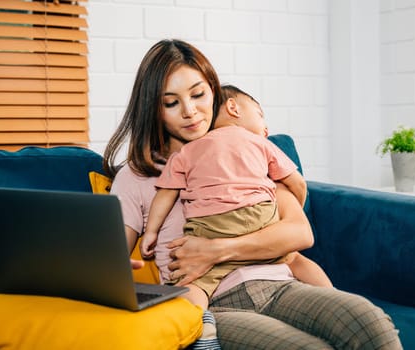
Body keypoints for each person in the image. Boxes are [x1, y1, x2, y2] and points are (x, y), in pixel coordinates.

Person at [104, 39, 402, 350]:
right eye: (171, 102)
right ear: (154, 109)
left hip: (280, 285)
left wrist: (216, 249)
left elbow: (298, 232)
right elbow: (109, 262)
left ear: (213, 90)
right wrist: (117, 273)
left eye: (198, 94)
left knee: (370, 321)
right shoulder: (136, 177)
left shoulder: (248, 148)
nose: (190, 111)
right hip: (214, 304)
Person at [141, 84, 332, 308]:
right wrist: (293, 207)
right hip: (258, 217)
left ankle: (201, 326)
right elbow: (298, 183)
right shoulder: (260, 142)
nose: (266, 128)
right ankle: (333, 296)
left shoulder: (188, 150)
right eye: (260, 115)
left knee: (194, 282)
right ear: (233, 107)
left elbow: (165, 193)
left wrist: (151, 231)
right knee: (294, 259)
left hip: (209, 227)